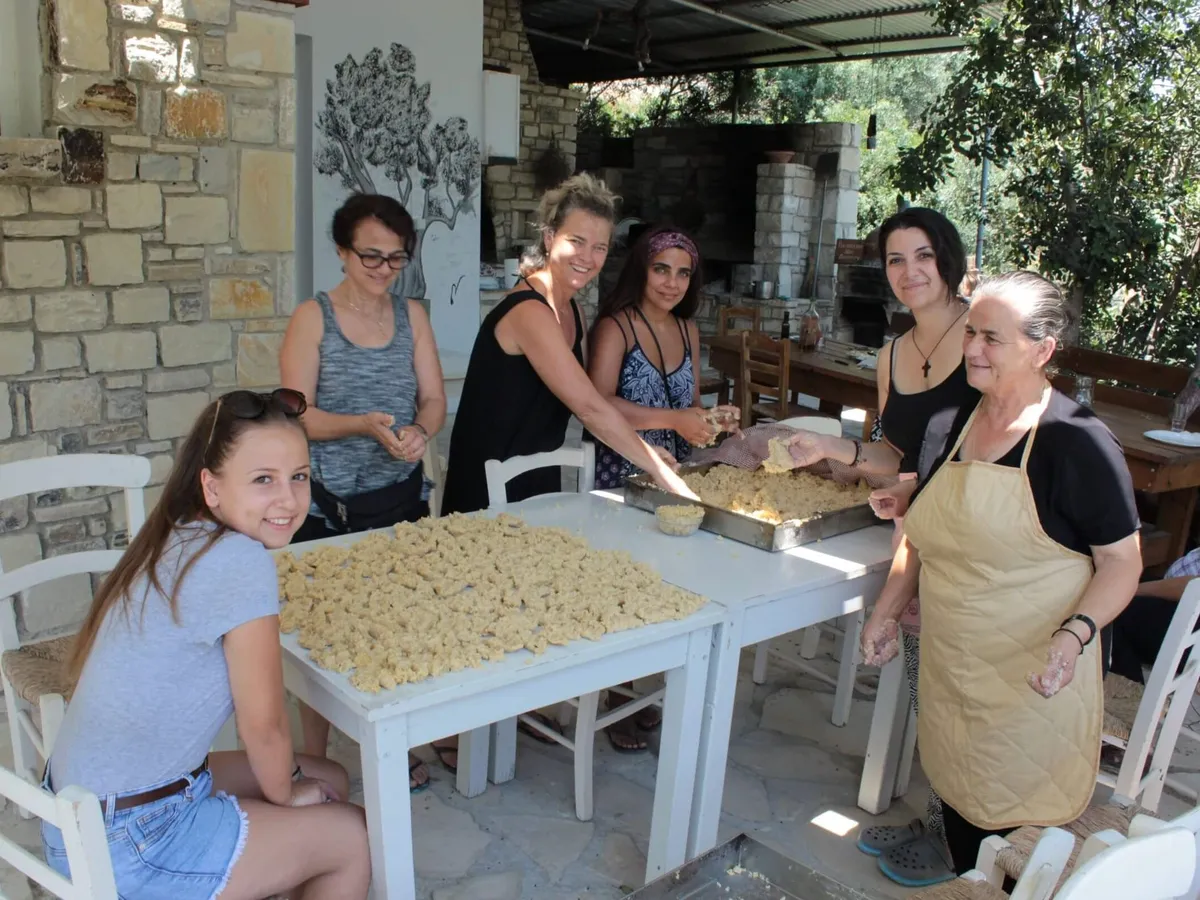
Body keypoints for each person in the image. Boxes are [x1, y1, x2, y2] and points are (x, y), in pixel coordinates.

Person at [860, 271, 1142, 882]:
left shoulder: (1078, 444)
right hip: (956, 670)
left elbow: (1123, 561)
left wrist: (1076, 635)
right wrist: (886, 611)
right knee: (963, 823)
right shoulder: (948, 425)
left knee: (1013, 851)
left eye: (993, 339)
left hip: (1033, 678)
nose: (974, 351)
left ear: (1042, 350)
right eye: (972, 335)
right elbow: (923, 535)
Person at [42, 389, 370, 900]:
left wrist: (294, 789)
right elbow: (262, 727)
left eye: (299, 477)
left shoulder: (178, 532)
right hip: (131, 841)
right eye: (263, 479)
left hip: (77, 815)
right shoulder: (239, 561)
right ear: (212, 488)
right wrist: (286, 794)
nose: (288, 499)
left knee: (327, 775)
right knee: (355, 836)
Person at [778, 208, 979, 873]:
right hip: (918, 534)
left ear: (946, 258)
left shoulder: (983, 337)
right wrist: (829, 445)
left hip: (973, 543)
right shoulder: (894, 352)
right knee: (931, 694)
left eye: (922, 255)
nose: (910, 272)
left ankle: (964, 848)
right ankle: (942, 825)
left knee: (963, 701)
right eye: (896, 260)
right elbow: (893, 452)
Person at [280, 192, 448, 791]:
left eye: (396, 259)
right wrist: (362, 425)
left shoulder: (413, 318)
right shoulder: (313, 318)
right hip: (328, 502)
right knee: (321, 632)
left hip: (397, 496)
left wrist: (419, 430)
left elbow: (432, 398)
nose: (383, 270)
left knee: (397, 621)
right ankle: (315, 758)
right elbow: (295, 416)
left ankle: (393, 743)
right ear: (341, 252)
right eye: (370, 256)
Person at [441, 173, 696, 515]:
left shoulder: (573, 309)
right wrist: (655, 465)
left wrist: (644, 449)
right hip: (486, 486)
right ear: (549, 238)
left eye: (600, 247)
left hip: (540, 477)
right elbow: (590, 408)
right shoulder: (529, 311)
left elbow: (592, 402)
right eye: (576, 241)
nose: (587, 257)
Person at [586, 224, 739, 751]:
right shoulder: (615, 328)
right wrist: (673, 420)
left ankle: (642, 689)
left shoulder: (689, 329)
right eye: (661, 269)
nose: (672, 283)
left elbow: (689, 404)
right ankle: (614, 694)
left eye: (683, 272)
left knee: (669, 580)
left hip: (678, 473)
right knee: (621, 583)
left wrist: (712, 420)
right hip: (623, 473)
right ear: (640, 269)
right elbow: (598, 404)